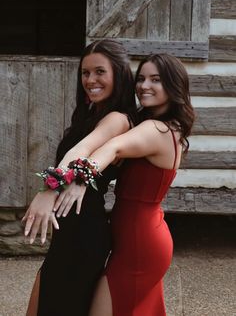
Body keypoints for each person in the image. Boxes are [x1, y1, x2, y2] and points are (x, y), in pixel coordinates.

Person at [69, 53, 195, 316]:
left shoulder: (157, 130)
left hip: (140, 246)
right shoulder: (165, 127)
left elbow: (113, 148)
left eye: (156, 79)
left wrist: (81, 178)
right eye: (141, 78)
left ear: (173, 86)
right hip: (138, 239)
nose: (144, 85)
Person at [22, 38, 137, 316]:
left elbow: (81, 151)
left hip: (85, 234)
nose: (90, 79)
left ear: (118, 75)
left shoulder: (119, 119)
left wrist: (49, 189)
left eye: (100, 72)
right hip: (70, 233)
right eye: (85, 73)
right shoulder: (89, 114)